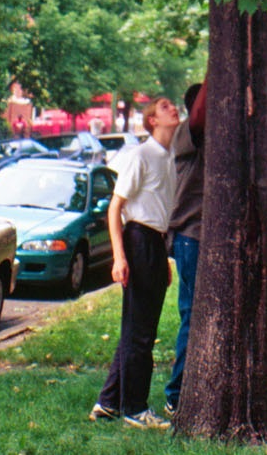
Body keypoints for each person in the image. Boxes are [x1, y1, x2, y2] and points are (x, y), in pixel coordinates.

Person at [90, 95, 180, 430]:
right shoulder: (141, 155)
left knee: (136, 327)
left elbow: (159, 213)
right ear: (153, 120)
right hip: (139, 240)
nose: (173, 109)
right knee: (141, 332)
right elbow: (116, 209)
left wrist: (163, 256)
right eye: (165, 107)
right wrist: (119, 256)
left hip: (154, 243)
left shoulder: (167, 156)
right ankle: (135, 408)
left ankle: (109, 402)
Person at [162, 80, 207, 418]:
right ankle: (176, 393)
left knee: (194, 312)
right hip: (189, 236)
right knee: (193, 313)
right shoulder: (186, 134)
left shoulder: (209, 139)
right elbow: (200, 112)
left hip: (198, 238)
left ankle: (187, 385)